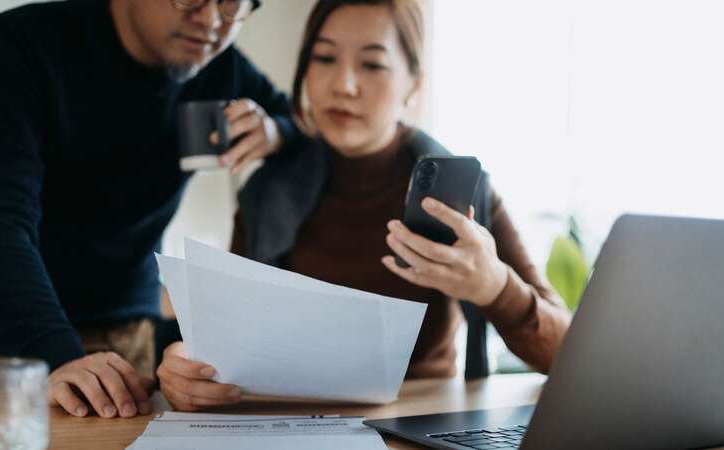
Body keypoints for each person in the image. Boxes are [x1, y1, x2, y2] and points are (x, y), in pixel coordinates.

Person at [156, 0, 572, 412]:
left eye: (372, 65)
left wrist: (496, 287)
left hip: (421, 422)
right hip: (297, 425)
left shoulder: (461, 193)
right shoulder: (266, 191)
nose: (344, 85)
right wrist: (186, 366)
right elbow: (226, 342)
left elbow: (565, 357)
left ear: (414, 82)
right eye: (324, 58)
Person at [0, 0, 301, 418]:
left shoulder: (221, 68)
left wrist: (277, 132)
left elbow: (302, 122)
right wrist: (52, 354)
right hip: (1, 339)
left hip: (129, 342)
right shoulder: (18, 46)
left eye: (233, 3)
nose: (212, 20)